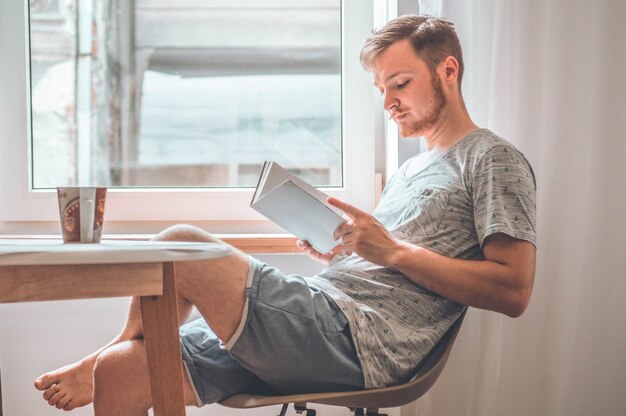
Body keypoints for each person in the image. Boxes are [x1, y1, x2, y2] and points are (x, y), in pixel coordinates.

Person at [34, 14, 536, 415]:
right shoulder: (411, 171)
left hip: (357, 339)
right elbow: (387, 268)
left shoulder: (491, 159)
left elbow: (514, 290)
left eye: (399, 83)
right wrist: (340, 254)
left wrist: (393, 250)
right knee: (122, 371)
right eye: (381, 88)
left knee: (181, 240)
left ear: (448, 70)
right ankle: (110, 354)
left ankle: (106, 345)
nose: (388, 102)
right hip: (324, 309)